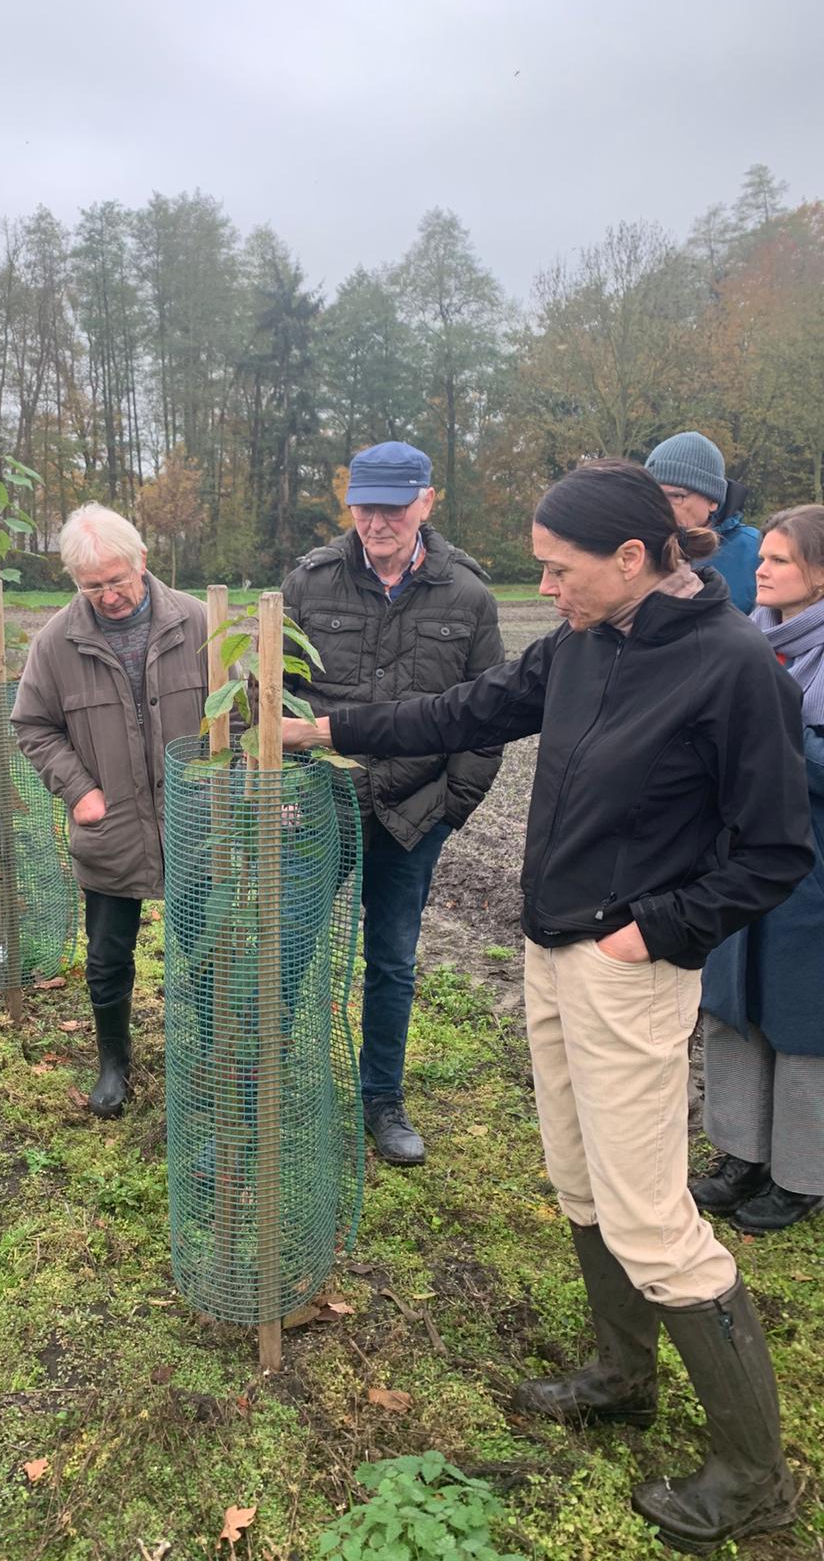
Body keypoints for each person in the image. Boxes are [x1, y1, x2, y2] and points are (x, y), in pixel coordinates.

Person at [284, 459, 812, 1554]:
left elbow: (774, 852)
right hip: (551, 951)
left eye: (559, 569)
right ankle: (623, 1375)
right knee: (579, 1178)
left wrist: (651, 932)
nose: (546, 586)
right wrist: (325, 734)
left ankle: (754, 1480)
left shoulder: (734, 671)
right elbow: (467, 706)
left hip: (629, 967)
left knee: (655, 1220)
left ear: (634, 559)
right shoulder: (581, 644)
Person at [281, 441, 503, 1164]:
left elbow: (490, 713)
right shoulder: (310, 584)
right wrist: (281, 782)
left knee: (393, 961)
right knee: (286, 945)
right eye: (365, 507)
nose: (377, 522)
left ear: (427, 502)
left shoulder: (467, 596)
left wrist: (452, 806)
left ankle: (383, 1098)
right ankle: (262, 1083)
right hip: (317, 805)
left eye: (393, 507)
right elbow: (268, 689)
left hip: (412, 813)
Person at [11, 503, 208, 1117]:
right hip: (113, 825)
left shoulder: (200, 623)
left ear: (142, 561)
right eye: (93, 586)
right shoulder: (56, 643)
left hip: (197, 821)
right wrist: (80, 792)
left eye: (118, 579)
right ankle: (113, 1062)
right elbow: (34, 725)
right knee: (106, 954)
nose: (110, 595)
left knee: (205, 946)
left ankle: (206, 1056)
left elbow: (247, 709)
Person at [693, 505, 824, 1234]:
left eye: (778, 560)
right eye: (763, 557)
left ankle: (802, 1175)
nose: (761, 569)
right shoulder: (750, 639)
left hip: (812, 871)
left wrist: (781, 739)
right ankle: (740, 1155)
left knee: (806, 1025)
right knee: (734, 1006)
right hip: (736, 859)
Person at [645, 430, 760, 612]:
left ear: (713, 501)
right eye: (654, 496)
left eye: (676, 496)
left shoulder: (757, 551)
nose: (661, 507)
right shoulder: (633, 548)